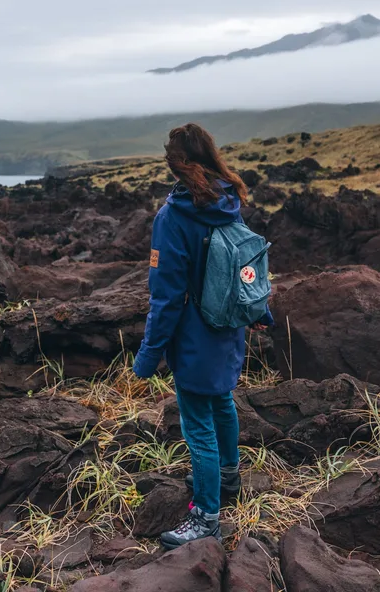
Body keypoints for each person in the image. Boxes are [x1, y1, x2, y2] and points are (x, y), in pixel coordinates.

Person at [132, 123, 273, 550]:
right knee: (222, 403)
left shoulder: (173, 216)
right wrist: (260, 311)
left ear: (174, 163)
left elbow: (166, 298)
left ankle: (206, 517)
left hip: (195, 336)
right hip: (228, 327)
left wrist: (148, 355)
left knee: (198, 427)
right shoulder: (227, 201)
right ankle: (228, 477)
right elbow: (244, 264)